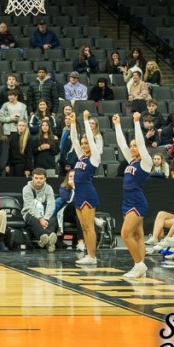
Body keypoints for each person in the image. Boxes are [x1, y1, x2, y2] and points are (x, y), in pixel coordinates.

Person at [112, 113, 154, 278]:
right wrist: (117, 125)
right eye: (132, 146)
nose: (132, 148)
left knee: (125, 234)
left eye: (135, 146)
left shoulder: (146, 162)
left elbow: (142, 143)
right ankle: (141, 267)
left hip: (137, 201)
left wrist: (137, 123)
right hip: (127, 201)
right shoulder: (132, 161)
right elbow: (122, 145)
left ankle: (138, 265)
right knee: (137, 236)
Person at [69, 111, 102, 266]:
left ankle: (92, 256)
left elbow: (90, 137)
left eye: (86, 143)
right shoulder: (81, 156)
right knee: (84, 227)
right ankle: (89, 255)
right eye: (83, 143)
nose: (83, 145)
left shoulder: (94, 157)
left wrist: (85, 120)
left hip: (88, 193)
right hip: (79, 194)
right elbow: (74, 139)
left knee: (89, 227)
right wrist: (73, 123)